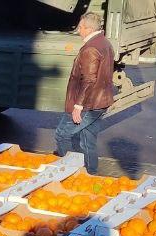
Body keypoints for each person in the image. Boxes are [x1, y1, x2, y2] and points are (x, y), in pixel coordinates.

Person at [55, 12, 114, 175]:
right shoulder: (104, 43)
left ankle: (68, 172)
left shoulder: (91, 48)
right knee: (88, 140)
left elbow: (88, 79)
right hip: (100, 102)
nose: (78, 30)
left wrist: (78, 106)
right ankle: (90, 174)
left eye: (80, 27)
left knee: (61, 134)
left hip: (88, 104)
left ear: (88, 29)